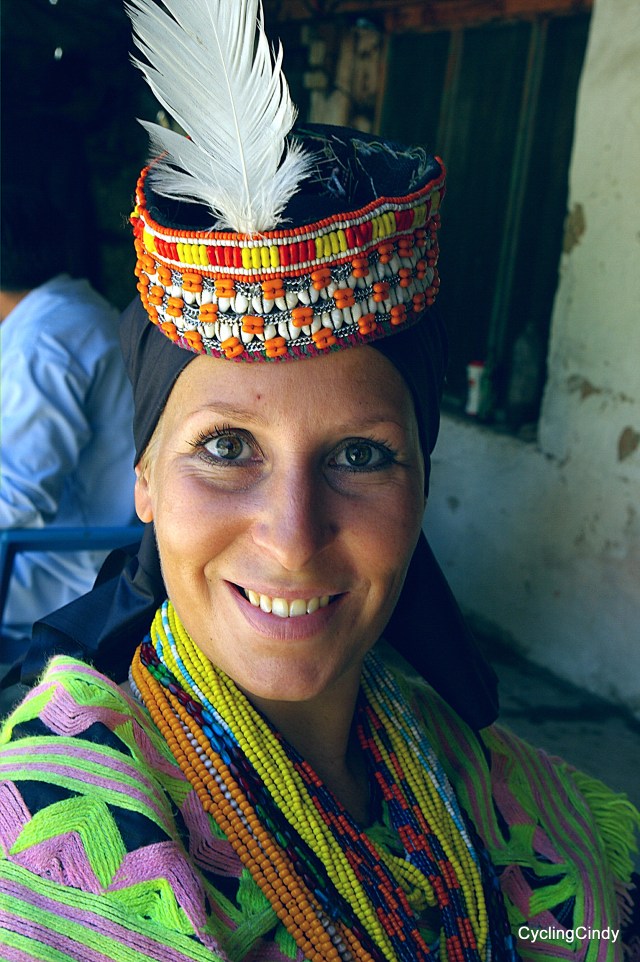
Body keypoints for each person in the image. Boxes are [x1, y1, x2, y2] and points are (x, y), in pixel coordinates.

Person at [1, 1, 638, 959]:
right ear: (141, 480)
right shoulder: (52, 834)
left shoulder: (459, 756)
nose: (292, 535)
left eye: (360, 454)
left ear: (423, 482)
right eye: (225, 448)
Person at [0, 178, 137, 666]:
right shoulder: (72, 310)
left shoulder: (45, 342)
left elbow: (15, 500)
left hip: (60, 573)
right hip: (84, 554)